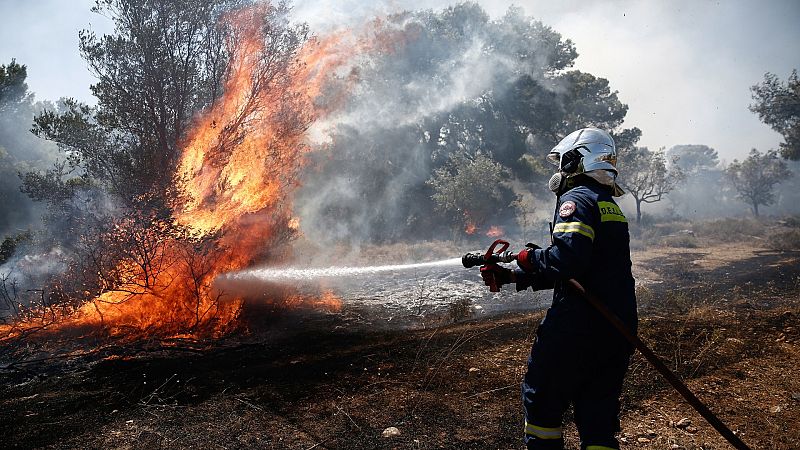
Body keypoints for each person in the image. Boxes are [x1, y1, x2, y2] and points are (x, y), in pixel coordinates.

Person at [481, 127, 637, 449]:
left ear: (576, 161)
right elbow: (585, 270)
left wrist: (529, 257)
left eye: (562, 163)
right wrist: (515, 277)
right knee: (597, 418)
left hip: (577, 327)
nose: (559, 172)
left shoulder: (576, 199)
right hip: (615, 327)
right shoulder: (607, 204)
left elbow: (567, 261)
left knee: (542, 406)